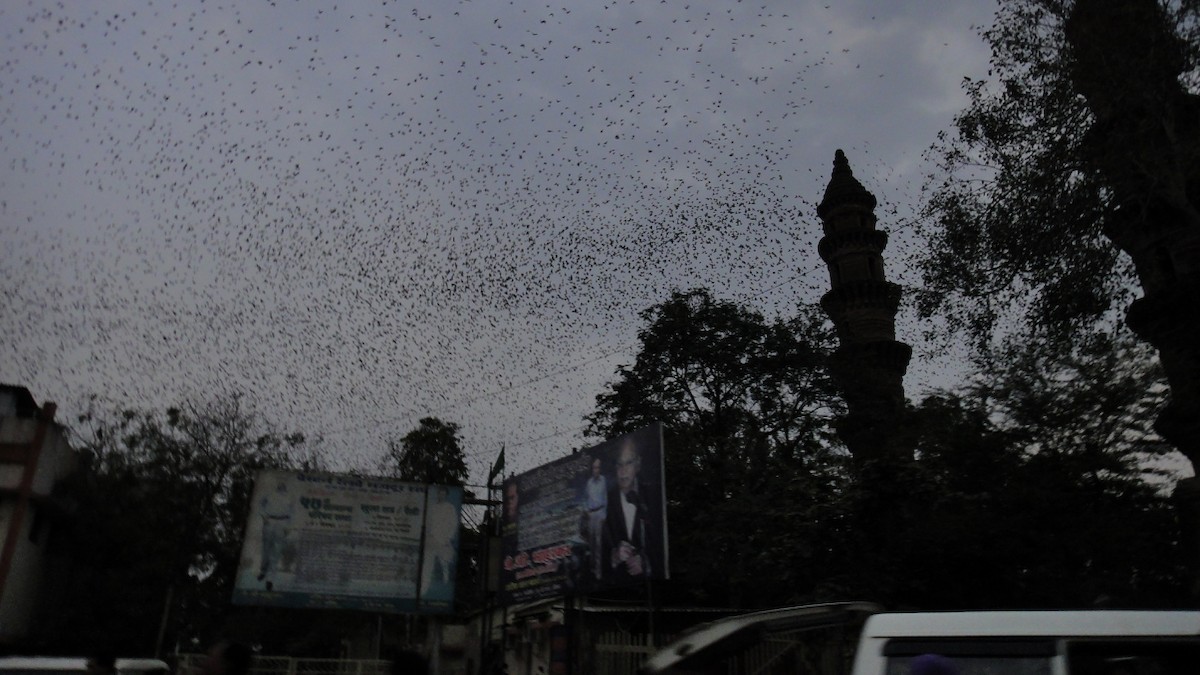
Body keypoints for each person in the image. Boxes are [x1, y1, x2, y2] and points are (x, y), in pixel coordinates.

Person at [603, 438, 660, 581]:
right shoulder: (604, 503)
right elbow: (593, 551)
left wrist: (645, 562)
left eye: (628, 463)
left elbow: (664, 543)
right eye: (619, 464)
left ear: (638, 464)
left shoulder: (654, 496)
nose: (623, 471)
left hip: (654, 590)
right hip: (615, 591)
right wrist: (613, 557)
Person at [583, 456, 607, 579]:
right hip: (591, 514)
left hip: (600, 513)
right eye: (594, 468)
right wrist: (587, 512)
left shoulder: (603, 480)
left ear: (600, 469)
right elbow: (586, 499)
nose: (595, 470)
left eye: (597, 468)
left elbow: (605, 498)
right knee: (591, 543)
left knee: (598, 543)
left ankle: (598, 571)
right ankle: (592, 568)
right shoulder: (589, 483)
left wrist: (604, 515)